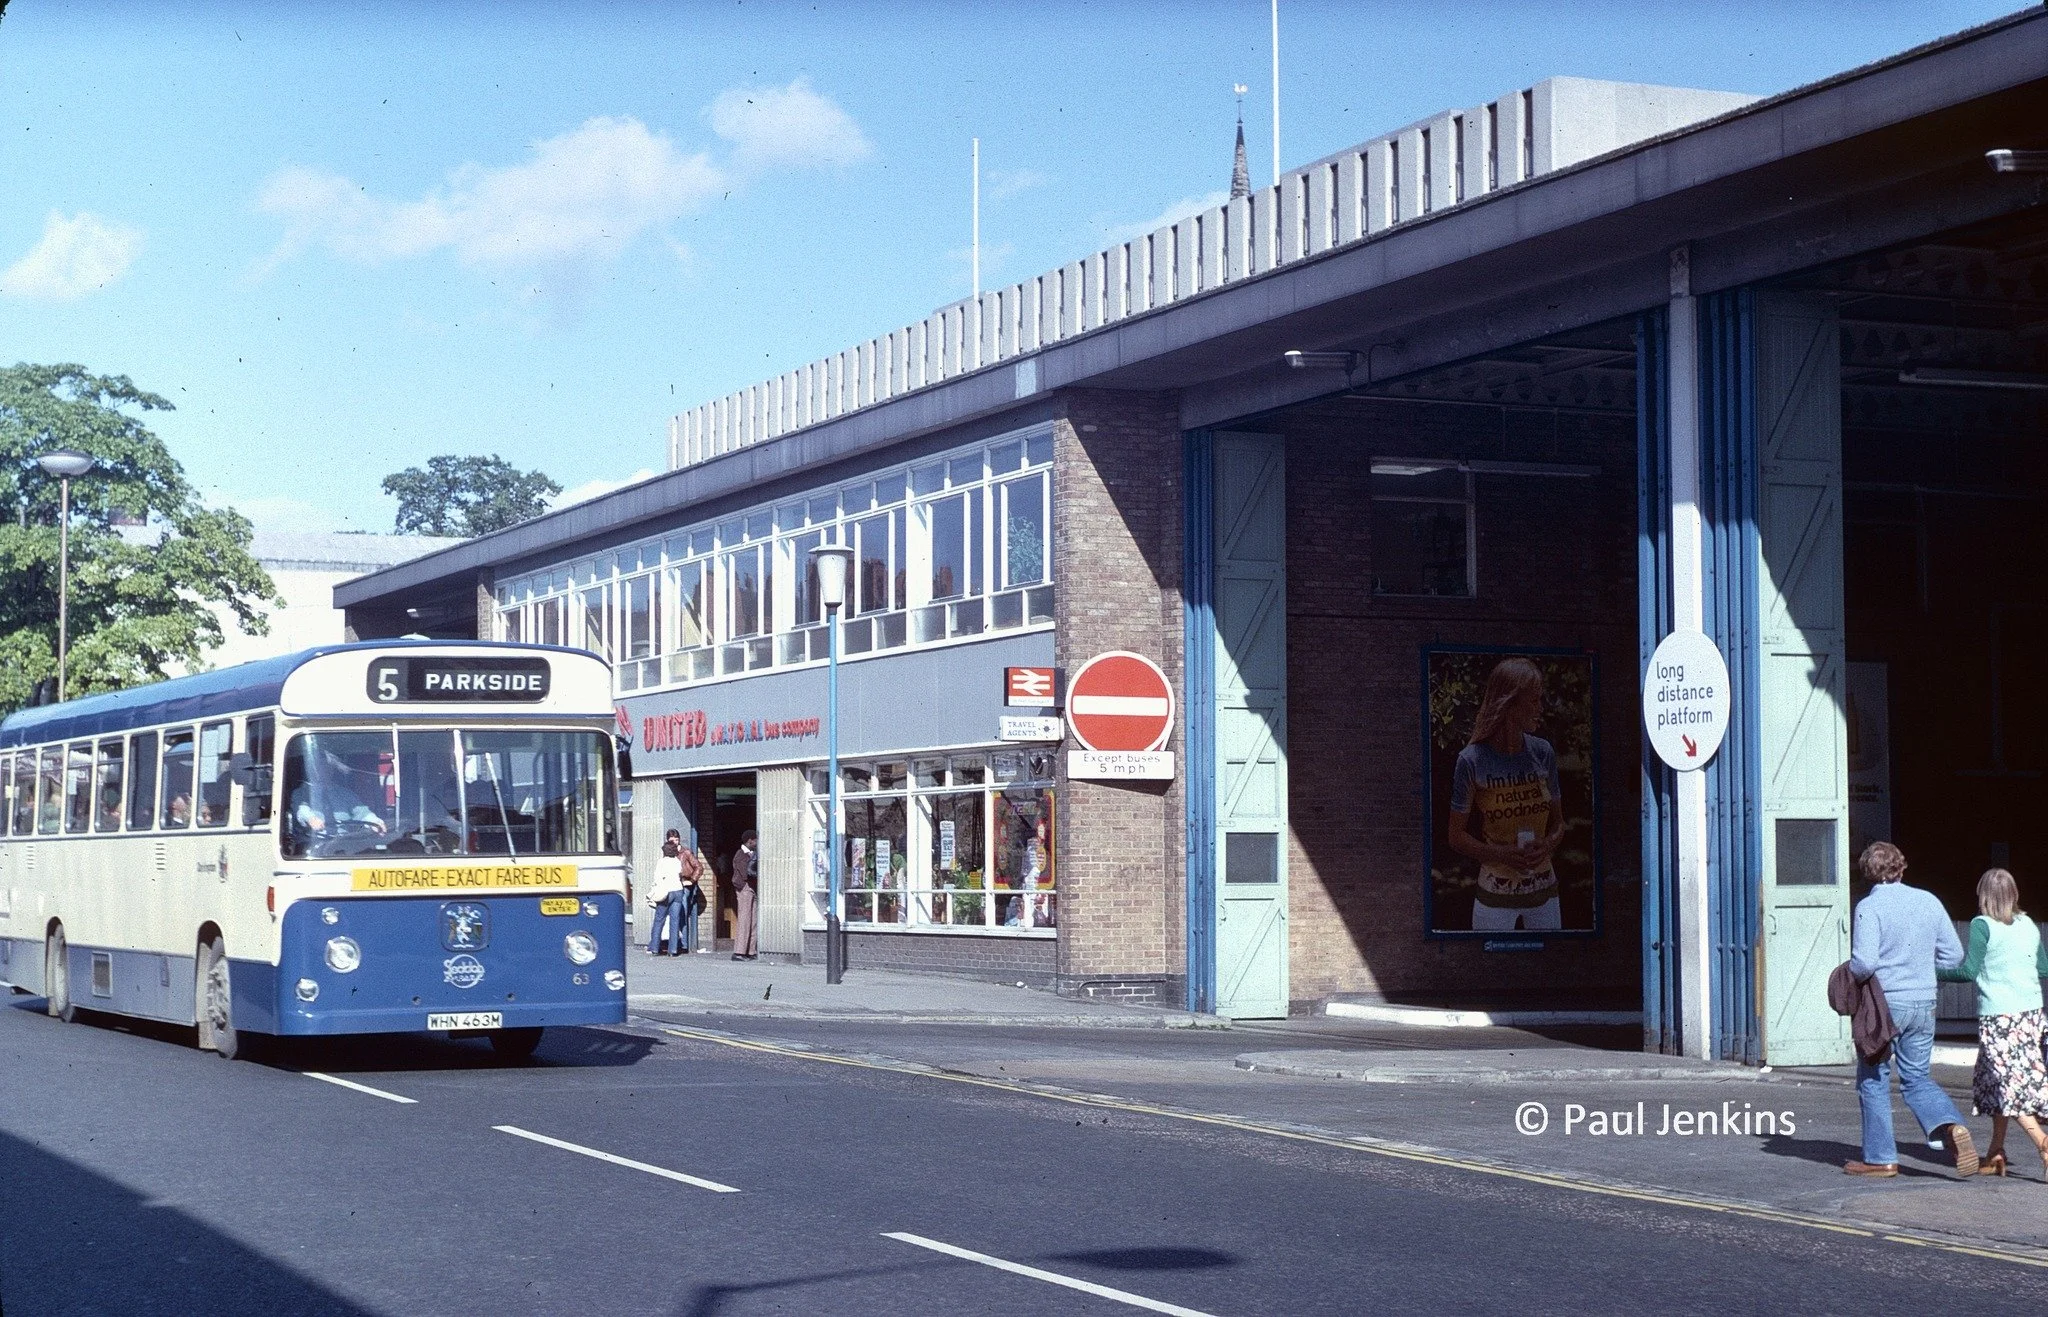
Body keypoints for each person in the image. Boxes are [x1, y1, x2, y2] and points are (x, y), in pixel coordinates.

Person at [1844, 841, 1978, 1177]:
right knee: (1917, 1077)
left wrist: (1845, 974)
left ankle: (1880, 1159)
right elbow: (1953, 955)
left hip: (1884, 1006)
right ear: (1901, 867)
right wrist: (1927, 979)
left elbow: (1864, 963)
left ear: (1867, 873)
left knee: (1873, 1079)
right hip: (1924, 1002)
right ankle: (1950, 1126)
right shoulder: (1928, 901)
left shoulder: (1867, 908)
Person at [1936, 868, 2048, 1177]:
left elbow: (1969, 971)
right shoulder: (2028, 925)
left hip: (1999, 1017)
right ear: (2014, 894)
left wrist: (1934, 971)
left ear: (1983, 897)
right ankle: (1995, 1152)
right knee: (2001, 1083)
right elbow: (2043, 966)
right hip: (2031, 1015)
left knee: (2004, 1086)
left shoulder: (1981, 925)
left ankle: (2042, 1141)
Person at [1447, 658, 1566, 932]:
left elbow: (1560, 825)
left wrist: (1547, 846)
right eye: (1534, 701)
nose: (1540, 709)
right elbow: (1455, 836)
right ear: (1510, 703)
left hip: (1545, 897)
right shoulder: (1471, 761)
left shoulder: (1543, 752)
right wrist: (1501, 854)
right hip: (1493, 901)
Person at [670, 829, 708, 954]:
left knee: (682, 913)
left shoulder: (685, 852)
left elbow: (699, 866)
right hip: (672, 885)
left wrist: (692, 880)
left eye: (676, 839)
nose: (674, 842)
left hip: (684, 885)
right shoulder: (668, 853)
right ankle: (676, 943)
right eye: (672, 840)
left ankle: (684, 944)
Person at [645, 838, 684, 956]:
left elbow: (657, 878)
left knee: (659, 920)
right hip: (678, 890)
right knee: (675, 920)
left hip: (665, 892)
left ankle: (655, 948)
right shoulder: (677, 861)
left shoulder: (661, 862)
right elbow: (680, 873)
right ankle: (673, 950)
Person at [731, 829, 759, 960]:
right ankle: (739, 951)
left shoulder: (751, 853)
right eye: (755, 840)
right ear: (750, 841)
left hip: (751, 888)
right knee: (745, 919)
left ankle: (750, 950)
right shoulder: (741, 854)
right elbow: (745, 873)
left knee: (753, 920)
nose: (757, 842)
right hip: (745, 887)